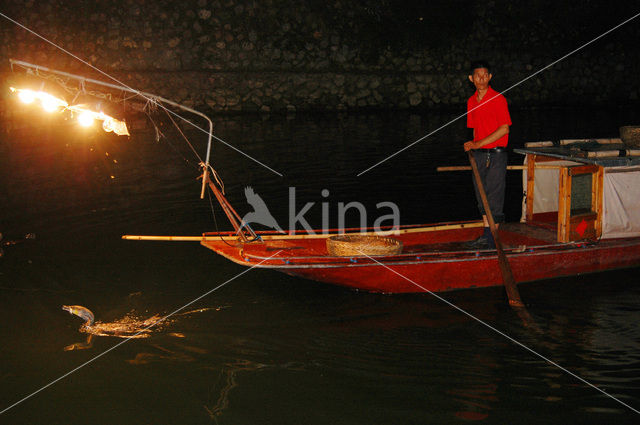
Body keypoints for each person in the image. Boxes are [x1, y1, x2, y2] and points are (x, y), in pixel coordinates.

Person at [463, 61, 511, 249]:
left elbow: (504, 129)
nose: (481, 78)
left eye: (485, 75)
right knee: (480, 194)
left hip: (496, 154)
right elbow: (474, 130)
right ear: (471, 79)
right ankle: (486, 233)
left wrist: (478, 143)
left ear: (490, 77)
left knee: (494, 195)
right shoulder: (471, 101)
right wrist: (472, 147)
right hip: (479, 155)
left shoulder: (498, 99)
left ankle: (492, 238)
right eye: (477, 75)